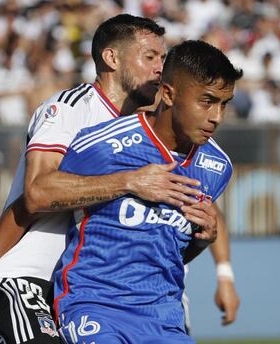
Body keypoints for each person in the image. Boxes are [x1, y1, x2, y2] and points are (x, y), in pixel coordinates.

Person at [0, 15, 237, 344]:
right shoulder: (71, 111)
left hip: (99, 288)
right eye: (150, 56)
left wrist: (216, 261)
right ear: (112, 58)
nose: (159, 67)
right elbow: (34, 196)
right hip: (28, 277)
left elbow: (183, 217)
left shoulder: (153, 131)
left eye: (163, 58)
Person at [54, 39, 242, 344]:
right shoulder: (104, 145)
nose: (217, 117)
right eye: (207, 101)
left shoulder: (217, 167)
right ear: (168, 93)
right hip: (96, 308)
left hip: (163, 318)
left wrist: (206, 238)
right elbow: (38, 195)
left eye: (224, 104)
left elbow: (175, 249)